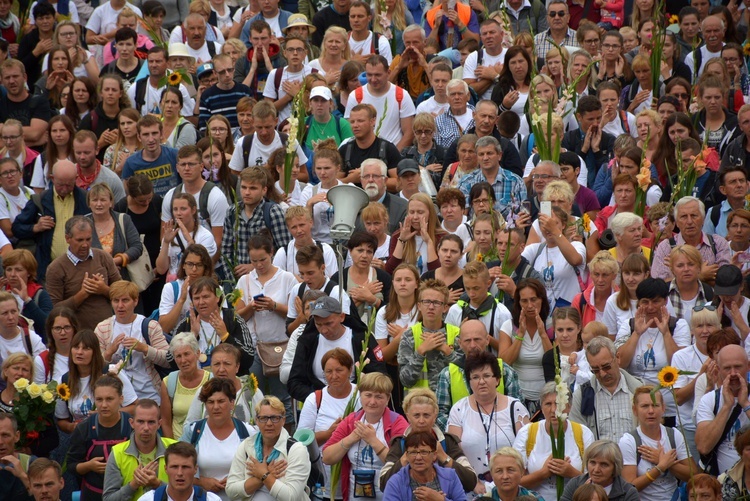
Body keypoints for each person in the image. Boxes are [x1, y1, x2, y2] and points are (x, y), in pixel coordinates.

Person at [234, 234, 297, 422]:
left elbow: (296, 315)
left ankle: (288, 437)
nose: (259, 265)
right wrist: (251, 307)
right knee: (253, 397)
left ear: (271, 254)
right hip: (253, 346)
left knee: (282, 398)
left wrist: (273, 306)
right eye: (254, 261)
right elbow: (237, 318)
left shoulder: (287, 278)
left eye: (263, 259)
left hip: (280, 345)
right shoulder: (244, 281)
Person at [447, 350, 530, 492]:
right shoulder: (459, 409)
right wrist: (473, 483)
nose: (481, 381)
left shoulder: (516, 408)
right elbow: (454, 453)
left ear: (497, 379)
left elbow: (528, 451)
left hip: (510, 489)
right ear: (469, 381)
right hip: (471, 489)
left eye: (486, 376)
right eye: (475, 377)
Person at [322, 372, 407, 501]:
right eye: (368, 395)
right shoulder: (351, 421)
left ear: (388, 398)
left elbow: (404, 463)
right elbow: (327, 457)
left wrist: (374, 441)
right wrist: (350, 439)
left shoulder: (398, 423)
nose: (372, 402)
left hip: (389, 496)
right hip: (354, 495)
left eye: (379, 397)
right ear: (360, 396)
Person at [380, 387, 477, 493]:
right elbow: (383, 485)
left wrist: (443, 457)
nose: (421, 421)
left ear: (435, 416)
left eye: (426, 415)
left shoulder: (447, 441)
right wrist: (405, 458)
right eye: (416, 415)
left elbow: (471, 482)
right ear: (408, 417)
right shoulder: (400, 443)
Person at [513, 381, 595, 501]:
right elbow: (514, 482)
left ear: (569, 406)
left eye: (558, 403)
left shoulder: (583, 433)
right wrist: (544, 473)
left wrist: (570, 472)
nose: (554, 410)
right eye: (548, 404)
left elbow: (595, 481)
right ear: (541, 407)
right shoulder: (527, 433)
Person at [11, 160, 90, 282]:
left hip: (80, 269)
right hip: (47, 269)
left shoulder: (85, 199)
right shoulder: (39, 200)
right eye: (60, 184)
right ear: (52, 178)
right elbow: (16, 228)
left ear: (76, 178)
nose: (64, 189)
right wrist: (35, 227)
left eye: (69, 185)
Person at [178, 378, 255, 500]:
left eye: (221, 401)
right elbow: (177, 467)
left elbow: (259, 469)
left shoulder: (248, 433)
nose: (215, 407)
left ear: (232, 403)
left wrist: (237, 481)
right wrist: (201, 482)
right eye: (210, 402)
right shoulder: (193, 431)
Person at [95, 279, 170, 403]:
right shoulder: (102, 328)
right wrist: (109, 353)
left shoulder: (150, 326)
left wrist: (144, 348)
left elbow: (167, 359)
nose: (120, 306)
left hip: (150, 395)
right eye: (115, 300)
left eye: (125, 300)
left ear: (135, 301)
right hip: (118, 398)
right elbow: (94, 367)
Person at [297, 348, 358, 497]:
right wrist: (330, 433)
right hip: (324, 478)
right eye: (328, 371)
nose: (334, 376)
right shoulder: (315, 399)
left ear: (350, 370)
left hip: (356, 477)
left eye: (339, 370)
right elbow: (300, 441)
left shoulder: (361, 395)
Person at [226, 396, 311, 500]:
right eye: (264, 418)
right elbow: (230, 491)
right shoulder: (246, 446)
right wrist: (263, 476)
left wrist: (264, 474)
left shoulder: (296, 450)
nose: (269, 423)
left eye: (275, 418)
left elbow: (291, 497)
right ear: (257, 421)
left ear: (283, 420)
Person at [46, 216, 122, 331]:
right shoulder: (56, 268)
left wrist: (104, 289)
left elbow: (123, 292)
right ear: (67, 238)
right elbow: (54, 310)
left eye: (88, 239)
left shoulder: (103, 257)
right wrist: (82, 294)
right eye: (80, 240)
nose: (85, 245)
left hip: (109, 331)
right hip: (78, 337)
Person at [620, 386, 696, 499]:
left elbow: (693, 474)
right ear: (635, 410)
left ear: (663, 408)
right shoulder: (628, 441)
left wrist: (665, 462)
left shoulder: (674, 435)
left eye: (655, 405)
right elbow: (630, 487)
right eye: (645, 406)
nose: (651, 411)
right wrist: (660, 467)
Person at [55, 329, 138, 433]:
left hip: (114, 434)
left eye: (86, 348)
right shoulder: (64, 381)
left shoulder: (112, 372)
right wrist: (71, 427)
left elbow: (134, 407)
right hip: (83, 439)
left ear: (95, 352)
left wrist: (105, 414)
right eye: (76, 347)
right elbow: (62, 420)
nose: (79, 352)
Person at [66, 375, 133, 501]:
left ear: (121, 399)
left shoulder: (131, 426)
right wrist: (89, 466)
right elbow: (71, 465)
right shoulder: (83, 428)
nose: (104, 405)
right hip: (93, 494)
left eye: (109, 399)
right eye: (99, 399)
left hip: (127, 494)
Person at [219, 168, 291, 279]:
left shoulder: (273, 212)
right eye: (244, 187)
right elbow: (226, 250)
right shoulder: (232, 212)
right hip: (238, 281)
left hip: (268, 278)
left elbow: (284, 251)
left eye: (253, 188)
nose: (247, 192)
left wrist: (254, 266)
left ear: (264, 190)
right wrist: (233, 280)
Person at [173, 276, 255, 374]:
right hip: (197, 382)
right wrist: (192, 337)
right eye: (196, 298)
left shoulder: (233, 319)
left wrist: (226, 336)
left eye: (206, 297)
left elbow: (249, 357)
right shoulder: (186, 323)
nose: (201, 302)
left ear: (217, 297)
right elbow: (171, 359)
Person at [102, 399, 177, 501]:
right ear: (132, 423)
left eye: (151, 422)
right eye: (140, 422)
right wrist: (133, 485)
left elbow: (186, 493)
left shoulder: (175, 449)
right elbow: (108, 499)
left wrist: (158, 484)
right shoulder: (117, 452)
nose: (146, 428)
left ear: (159, 424)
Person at [695, 344, 750, 475]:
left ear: (748, 366)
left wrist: (745, 404)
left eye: (737, 367)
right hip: (721, 483)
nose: (733, 374)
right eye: (727, 368)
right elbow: (703, 446)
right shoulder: (709, 400)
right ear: (718, 370)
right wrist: (726, 407)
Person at [382, 431, 468, 501]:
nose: (418, 457)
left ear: (434, 455)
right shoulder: (395, 482)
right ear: (407, 456)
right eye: (413, 452)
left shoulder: (450, 476)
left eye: (424, 452)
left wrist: (441, 500)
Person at [159, 333, 211, 439]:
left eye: (187, 354)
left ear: (197, 354)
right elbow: (165, 421)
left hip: (205, 444)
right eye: (178, 356)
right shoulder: (169, 382)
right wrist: (172, 448)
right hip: (178, 445)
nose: (183, 360)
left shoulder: (212, 381)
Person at [120, 115, 179, 199]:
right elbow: (128, 194)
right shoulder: (130, 163)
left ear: (161, 134)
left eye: (154, 133)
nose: (151, 139)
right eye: (146, 134)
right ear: (139, 137)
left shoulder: (174, 155)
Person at [560, 440, 640, 501]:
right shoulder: (575, 484)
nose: (596, 469)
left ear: (615, 467)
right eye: (592, 462)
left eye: (604, 464)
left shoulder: (628, 492)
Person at [0, 59, 51, 149]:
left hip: (35, 160)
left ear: (25, 77)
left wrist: (3, 129)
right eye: (7, 78)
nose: (11, 81)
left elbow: (35, 133)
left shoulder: (40, 102)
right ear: (2, 81)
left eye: (15, 76)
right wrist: (35, 142)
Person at [1, 249, 53, 335]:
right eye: (9, 269)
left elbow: (48, 324)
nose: (12, 274)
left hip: (32, 344)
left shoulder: (39, 294)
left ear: (28, 273)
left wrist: (27, 300)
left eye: (18, 270)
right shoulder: (2, 291)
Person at [572, 251, 618, 325]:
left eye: (605, 275)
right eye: (596, 274)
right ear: (591, 275)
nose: (600, 280)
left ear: (614, 276)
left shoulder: (623, 300)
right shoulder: (579, 301)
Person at [34, 306, 76, 384]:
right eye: (57, 328)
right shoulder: (42, 360)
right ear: (50, 331)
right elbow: (38, 395)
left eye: (67, 327)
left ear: (74, 329)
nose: (63, 333)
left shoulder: (84, 355)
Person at [0, 413, 33, 501]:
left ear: (17, 436)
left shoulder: (31, 464)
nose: (0, 442)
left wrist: (23, 477)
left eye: (5, 435)